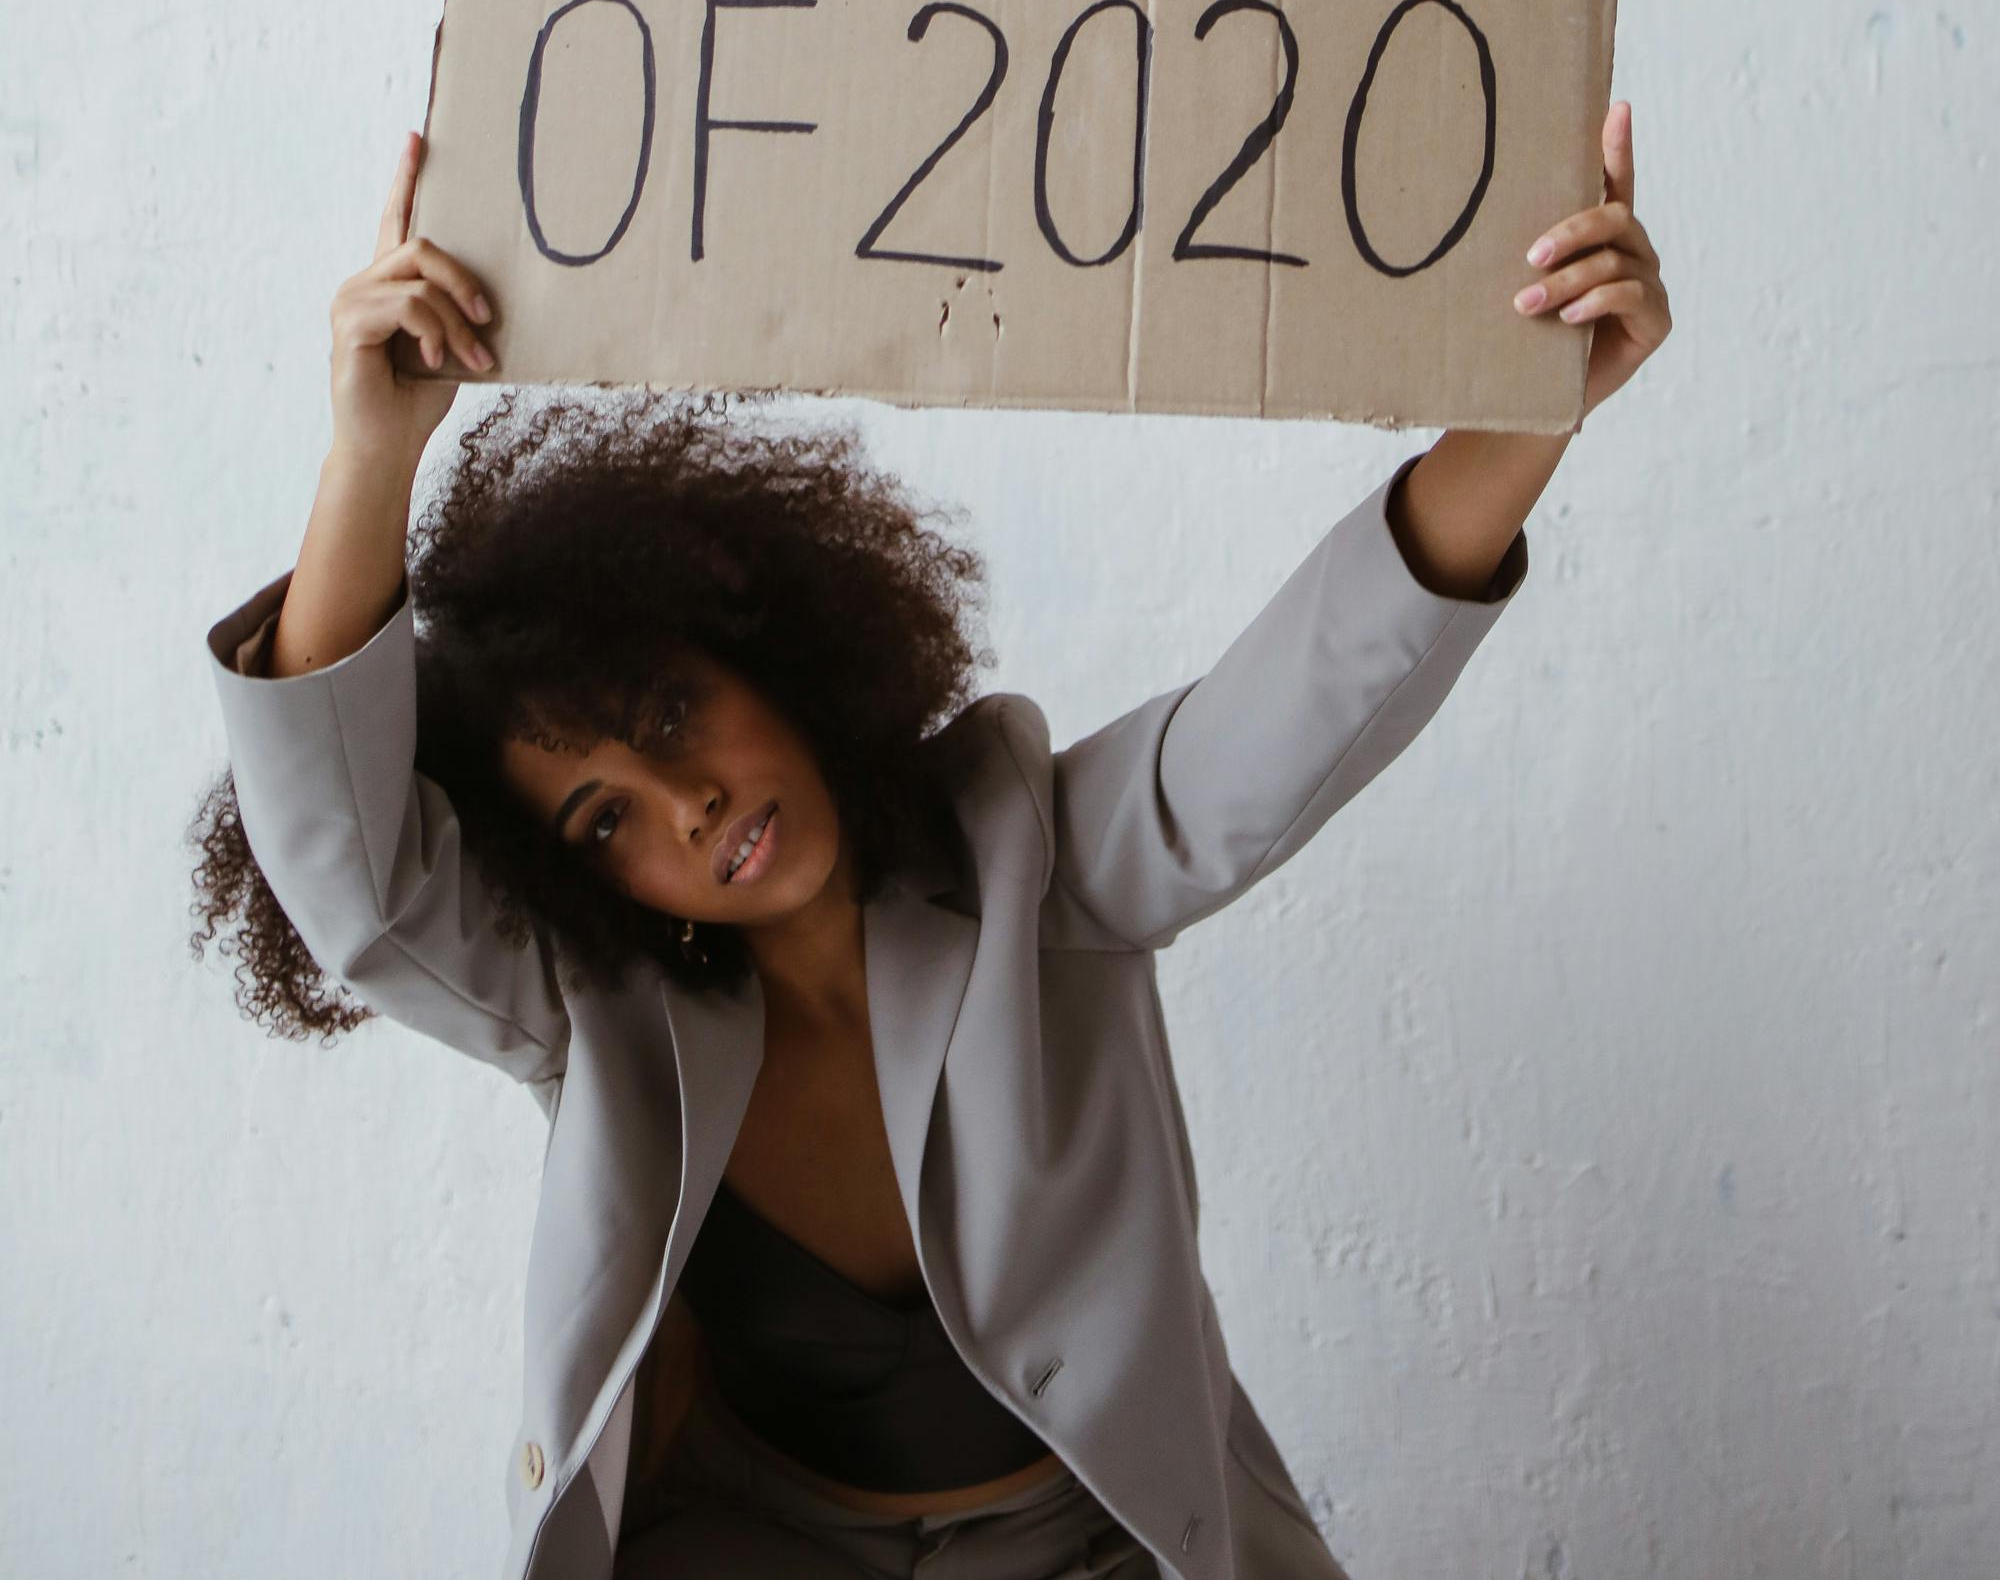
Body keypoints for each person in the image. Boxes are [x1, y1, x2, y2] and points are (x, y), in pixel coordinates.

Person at [190, 104, 1671, 1580]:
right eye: (605, 822)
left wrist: (1535, 405)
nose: (686, 805)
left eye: (669, 715)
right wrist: (372, 451)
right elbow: (358, 884)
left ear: (765, 650)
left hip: (1103, 1545)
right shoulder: (594, 1017)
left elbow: (1294, 711)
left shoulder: (1044, 858)